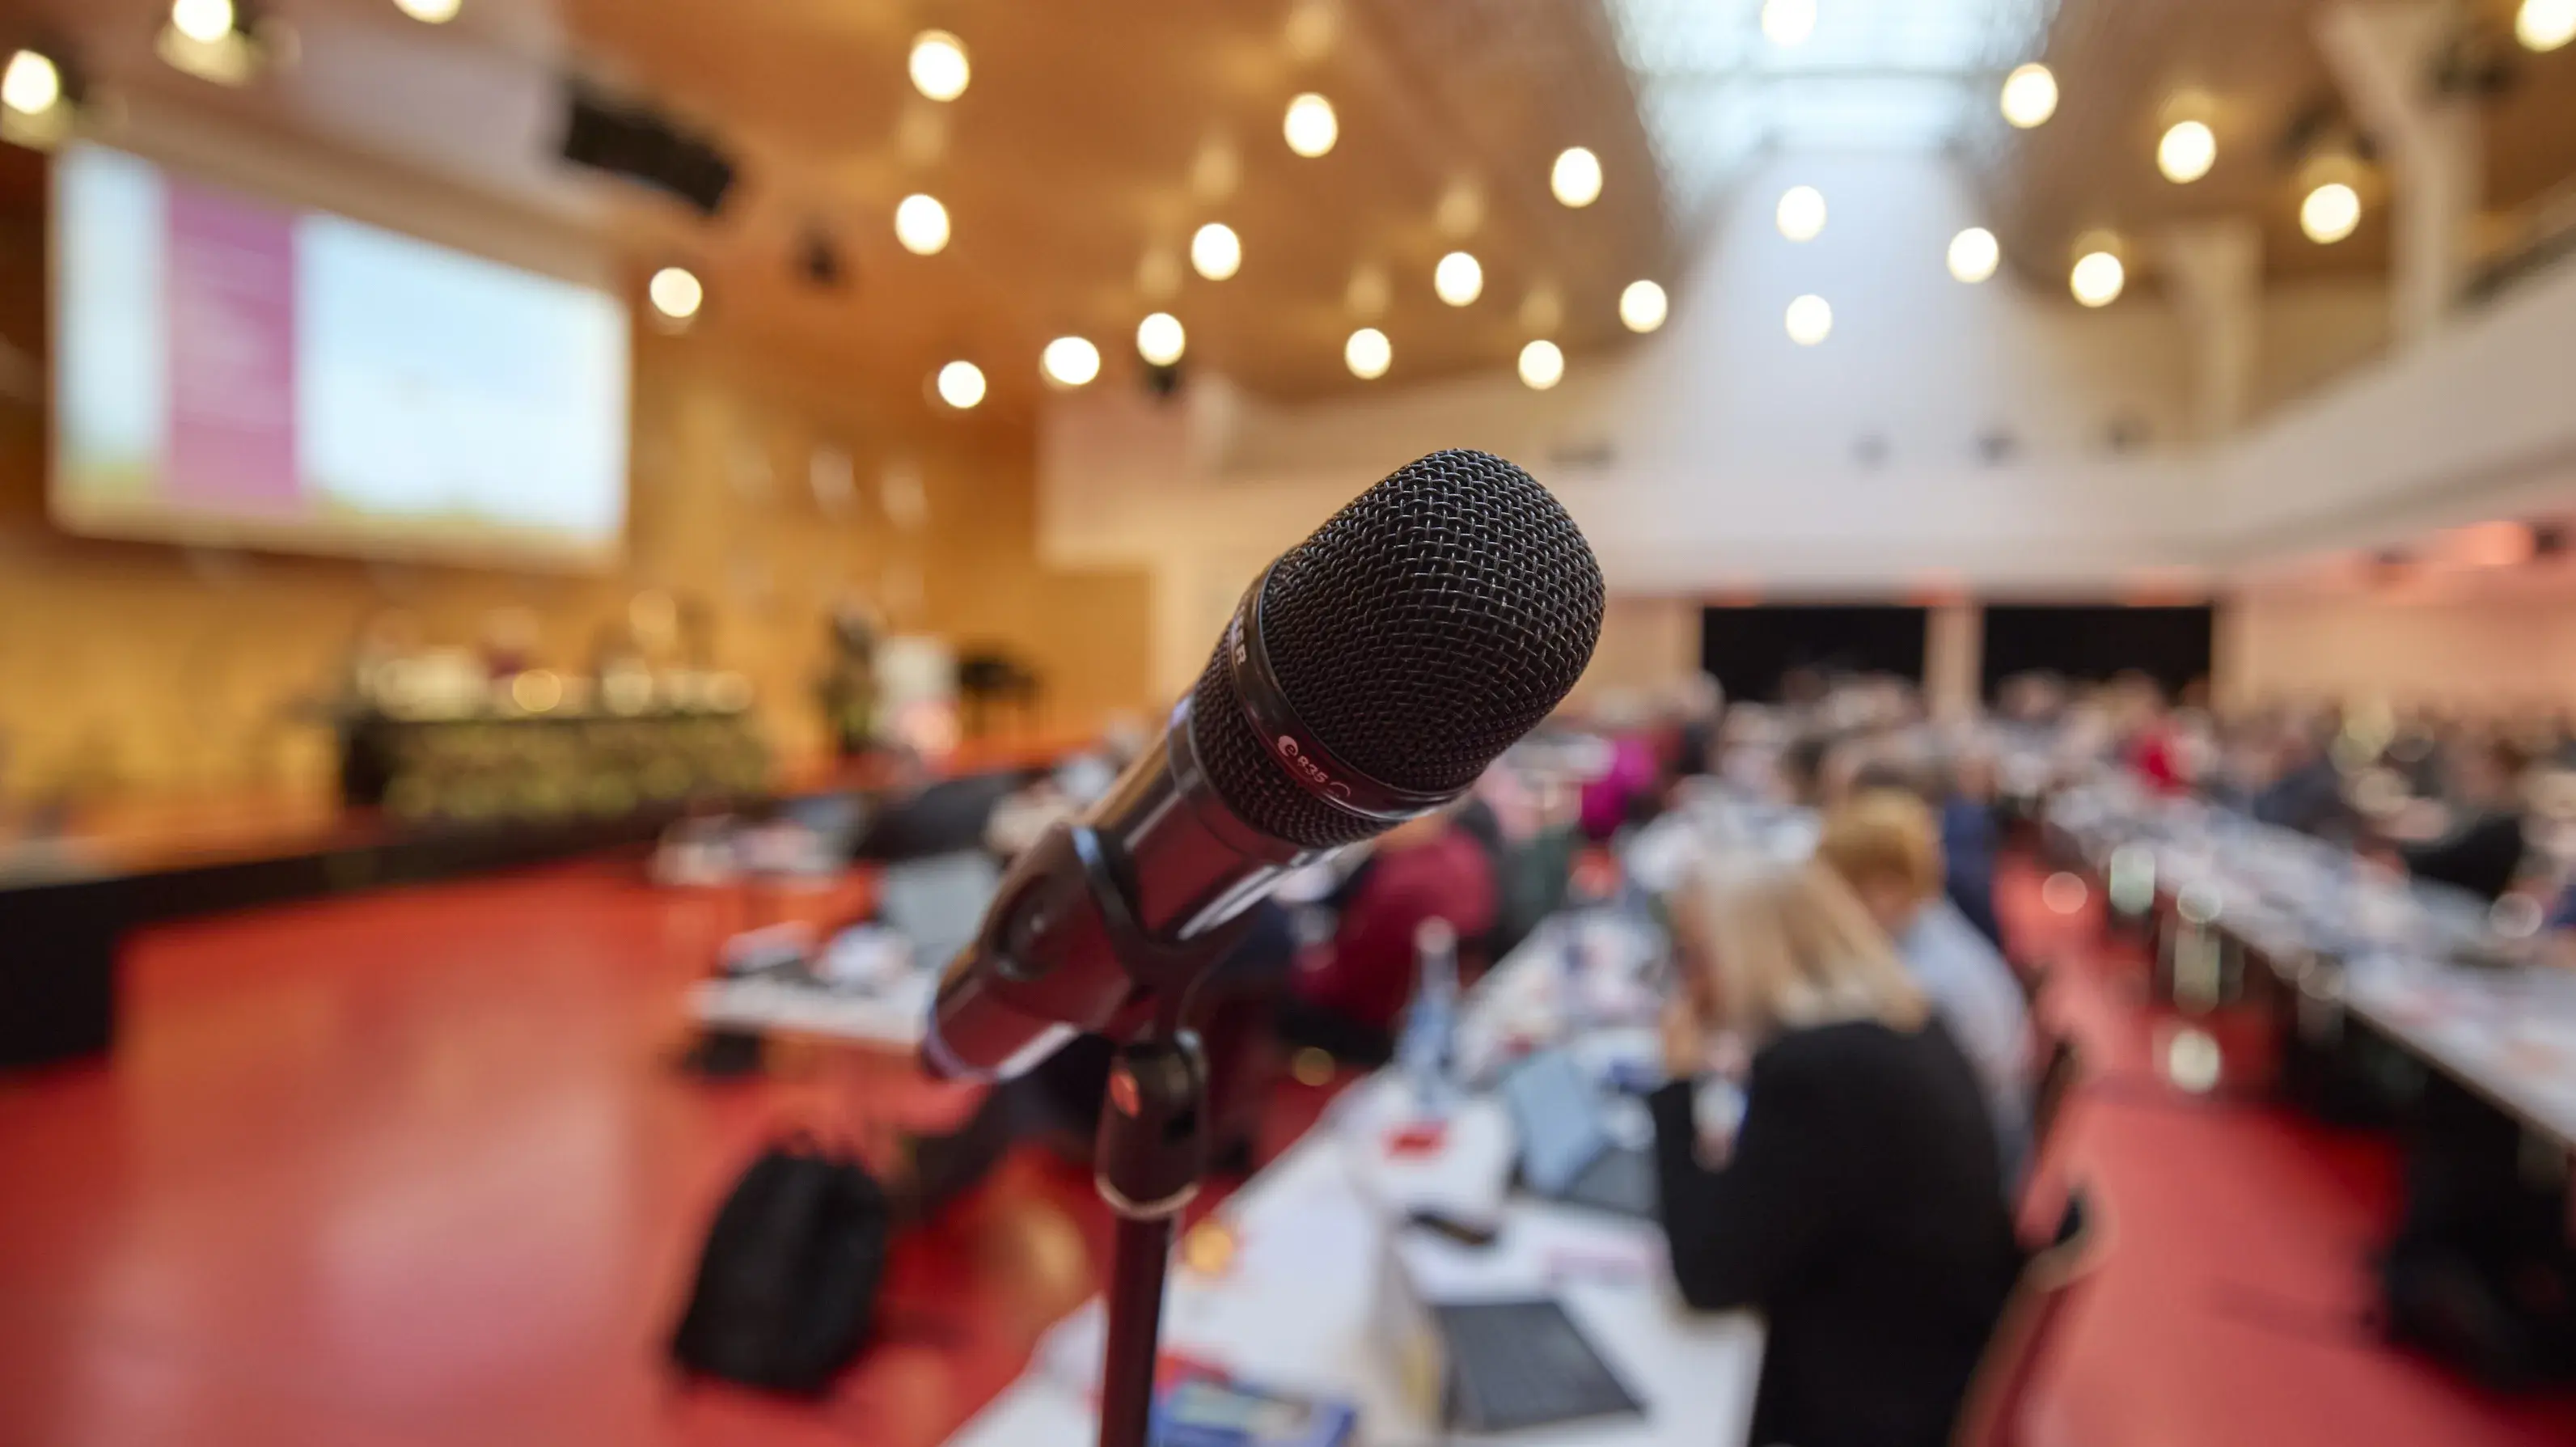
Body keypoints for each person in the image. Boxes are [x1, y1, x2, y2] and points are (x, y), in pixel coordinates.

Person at [1652, 859, 2022, 1447]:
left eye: (1696, 956)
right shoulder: (1900, 1019)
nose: (1689, 981)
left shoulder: (1817, 1071)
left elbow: (1706, 1274)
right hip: (1933, 1349)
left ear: (1752, 955)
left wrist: (1674, 1085)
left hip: (1872, 1395)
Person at [1813, 789, 2035, 1186]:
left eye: (1840, 894)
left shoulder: (1928, 983)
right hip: (1973, 1132)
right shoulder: (1928, 924)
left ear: (1887, 889)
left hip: (1963, 1168)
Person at [1276, 806, 1498, 1064]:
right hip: (1418, 1006)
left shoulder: (1404, 884)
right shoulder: (1465, 851)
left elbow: (1349, 980)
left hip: (1367, 1022)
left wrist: (1304, 964)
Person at [2394, 734, 2531, 903]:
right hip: (2444, 900)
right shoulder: (2486, 813)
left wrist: (2403, 848)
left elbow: (2445, 862)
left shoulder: (2503, 822)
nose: (2469, 771)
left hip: (2460, 908)